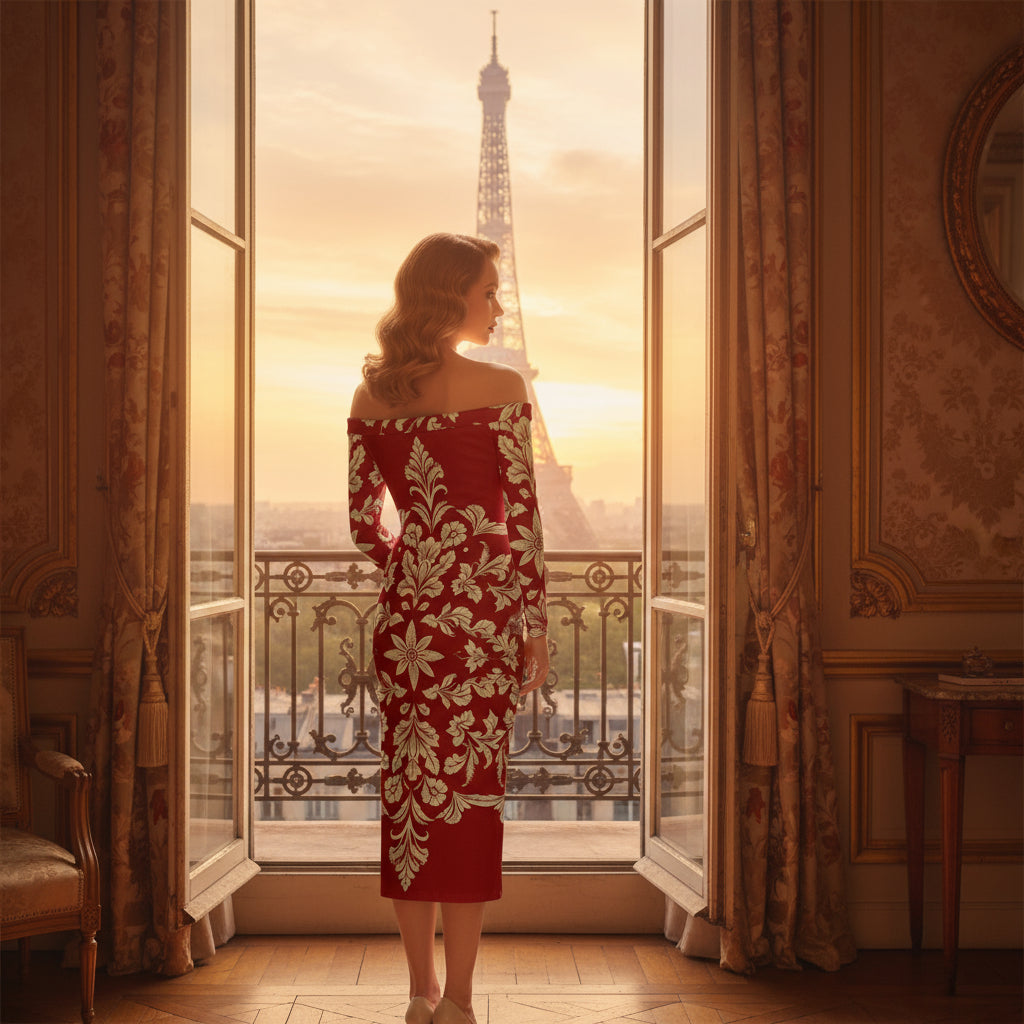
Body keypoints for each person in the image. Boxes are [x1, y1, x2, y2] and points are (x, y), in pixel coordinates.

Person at [348, 232, 549, 1024]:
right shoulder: (502, 387)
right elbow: (525, 524)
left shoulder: (371, 396)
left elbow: (366, 525)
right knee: (468, 800)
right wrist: (531, 622)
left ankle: (417, 993)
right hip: (484, 619)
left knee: (411, 801)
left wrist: (416, 560)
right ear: (453, 292)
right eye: (489, 290)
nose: (498, 303)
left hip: (411, 620)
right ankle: (461, 1000)